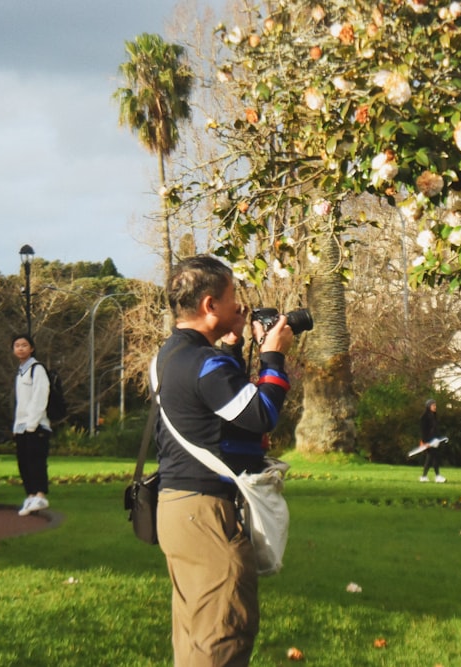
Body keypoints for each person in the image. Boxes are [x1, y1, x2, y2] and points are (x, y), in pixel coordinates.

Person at [154, 255, 294, 666]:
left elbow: (217, 412)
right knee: (223, 634)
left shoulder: (173, 355)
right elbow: (260, 415)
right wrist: (273, 357)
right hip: (206, 513)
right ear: (210, 305)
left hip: (179, 507)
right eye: (233, 298)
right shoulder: (203, 363)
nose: (240, 308)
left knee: (197, 635)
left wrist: (233, 345)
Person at [11, 334, 51, 516]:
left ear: (31, 348)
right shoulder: (20, 372)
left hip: (36, 426)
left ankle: (40, 495)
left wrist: (32, 424)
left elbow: (40, 397)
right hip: (21, 426)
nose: (20, 348)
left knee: (36, 462)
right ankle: (31, 495)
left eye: (24, 345)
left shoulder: (37, 369)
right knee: (24, 463)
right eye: (17, 345)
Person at [419, 399, 446, 483]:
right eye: (433, 405)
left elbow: (435, 429)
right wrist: (424, 442)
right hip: (429, 441)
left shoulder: (434, 416)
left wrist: (440, 438)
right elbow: (423, 430)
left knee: (432, 458)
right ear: (428, 406)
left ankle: (424, 476)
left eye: (435, 405)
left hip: (435, 440)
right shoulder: (425, 417)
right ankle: (436, 476)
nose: (435, 407)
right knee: (433, 457)